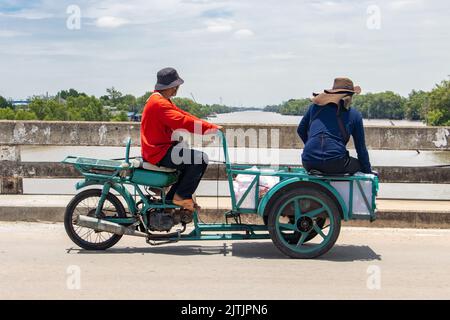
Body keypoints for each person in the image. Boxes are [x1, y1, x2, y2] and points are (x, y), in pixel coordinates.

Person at [141, 67, 222, 212]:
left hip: (160, 149)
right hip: (158, 152)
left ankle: (171, 200)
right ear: (171, 86)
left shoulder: (161, 100)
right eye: (176, 86)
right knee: (200, 159)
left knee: (190, 159)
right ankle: (181, 197)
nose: (176, 90)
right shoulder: (159, 103)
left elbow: (183, 114)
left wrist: (210, 125)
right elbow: (182, 121)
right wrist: (209, 128)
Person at [297, 77, 372, 175]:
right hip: (336, 162)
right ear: (348, 97)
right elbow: (361, 148)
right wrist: (367, 171)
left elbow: (301, 130)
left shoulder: (314, 108)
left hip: (309, 161)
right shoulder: (354, 114)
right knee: (359, 165)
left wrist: (312, 147)